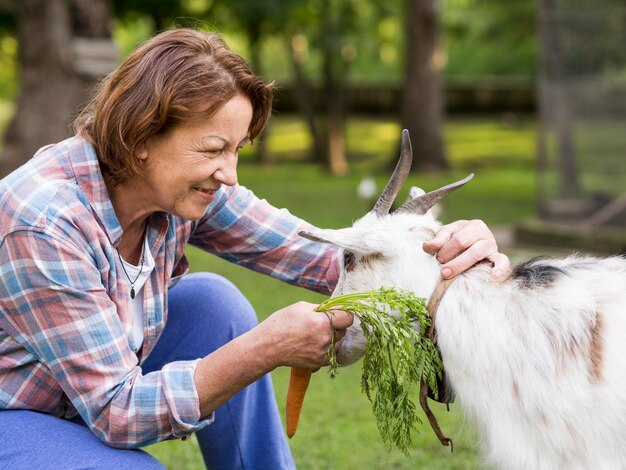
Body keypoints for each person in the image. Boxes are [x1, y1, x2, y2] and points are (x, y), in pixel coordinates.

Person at [0, 28, 509, 469]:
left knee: (213, 305)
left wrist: (447, 260)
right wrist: (266, 348)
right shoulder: (43, 223)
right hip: (18, 412)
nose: (230, 174)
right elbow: (118, 411)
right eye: (213, 149)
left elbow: (321, 254)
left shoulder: (181, 190)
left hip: (84, 382)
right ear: (141, 137)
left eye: (236, 149)